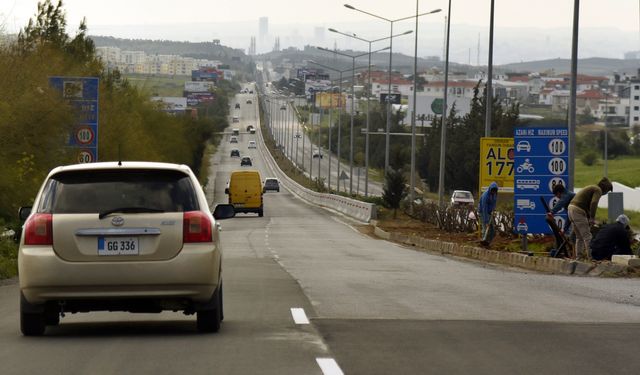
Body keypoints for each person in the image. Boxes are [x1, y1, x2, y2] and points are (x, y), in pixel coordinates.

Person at [567, 177, 613, 260]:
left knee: (579, 237)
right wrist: (592, 218)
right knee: (587, 236)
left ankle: (579, 257)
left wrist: (588, 217)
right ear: (605, 188)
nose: (606, 193)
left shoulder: (592, 187)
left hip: (571, 209)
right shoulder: (598, 190)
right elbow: (594, 202)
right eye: (608, 191)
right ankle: (591, 257)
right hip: (577, 210)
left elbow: (587, 204)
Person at [478, 182, 498, 247]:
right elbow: (484, 208)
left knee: (492, 230)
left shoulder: (495, 194)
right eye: (493, 191)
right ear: (490, 189)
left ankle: (487, 242)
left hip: (490, 212)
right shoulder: (485, 196)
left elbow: (494, 202)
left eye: (495, 191)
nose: (493, 192)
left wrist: (493, 210)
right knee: (485, 227)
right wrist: (486, 221)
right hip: (483, 212)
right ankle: (483, 241)